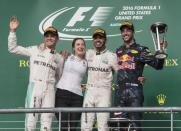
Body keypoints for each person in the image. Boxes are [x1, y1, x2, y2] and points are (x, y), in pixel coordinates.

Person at [8, 16, 64, 131]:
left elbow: (59, 77)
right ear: (44, 38)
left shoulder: (59, 58)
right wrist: (13, 31)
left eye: (52, 36)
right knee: (30, 122)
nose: (49, 38)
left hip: (50, 89)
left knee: (47, 123)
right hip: (35, 87)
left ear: (57, 38)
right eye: (47, 36)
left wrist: (51, 85)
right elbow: (12, 48)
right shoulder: (35, 49)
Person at [115, 21, 166, 131]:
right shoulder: (118, 51)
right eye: (123, 31)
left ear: (133, 32)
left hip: (134, 91)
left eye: (128, 30)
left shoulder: (141, 49)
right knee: (119, 125)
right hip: (120, 92)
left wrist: (162, 53)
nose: (125, 33)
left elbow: (158, 66)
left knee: (135, 125)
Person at [81, 28, 118, 131]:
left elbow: (121, 73)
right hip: (90, 91)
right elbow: (75, 63)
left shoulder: (112, 56)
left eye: (100, 38)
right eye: (95, 38)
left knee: (103, 126)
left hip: (104, 92)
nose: (98, 40)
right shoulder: (87, 53)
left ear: (105, 40)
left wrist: (137, 77)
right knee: (85, 125)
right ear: (93, 40)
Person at [55, 38, 87, 131]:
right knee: (63, 127)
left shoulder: (87, 61)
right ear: (73, 47)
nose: (80, 46)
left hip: (77, 97)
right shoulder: (65, 57)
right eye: (78, 44)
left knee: (73, 128)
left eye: (82, 44)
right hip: (62, 94)